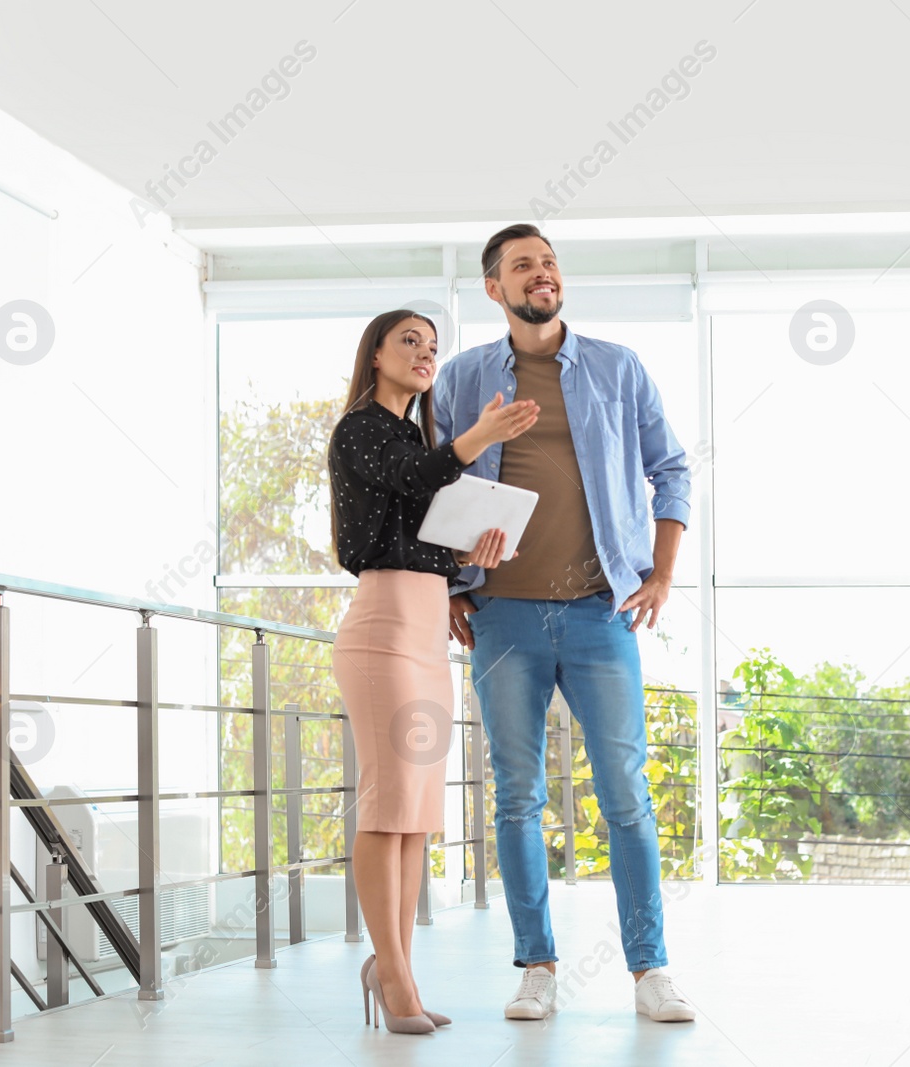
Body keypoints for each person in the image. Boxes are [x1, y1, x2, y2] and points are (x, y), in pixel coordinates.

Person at [432, 224, 697, 1023]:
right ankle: (536, 966)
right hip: (502, 614)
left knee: (626, 795)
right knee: (516, 797)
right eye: (523, 266)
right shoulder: (463, 376)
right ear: (494, 288)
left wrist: (661, 571)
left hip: (600, 612)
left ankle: (650, 970)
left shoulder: (617, 368)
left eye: (548, 262)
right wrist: (449, 583)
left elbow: (671, 468)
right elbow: (432, 483)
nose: (542, 274)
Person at [327, 308, 538, 1034]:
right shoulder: (363, 428)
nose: (425, 354)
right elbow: (413, 473)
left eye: (433, 346)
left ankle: (400, 968)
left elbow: (429, 541)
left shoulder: (417, 439)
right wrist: (479, 436)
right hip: (382, 629)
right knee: (388, 804)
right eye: (409, 342)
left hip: (425, 631)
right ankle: (390, 975)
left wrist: (480, 550)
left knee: (417, 814)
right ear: (376, 354)